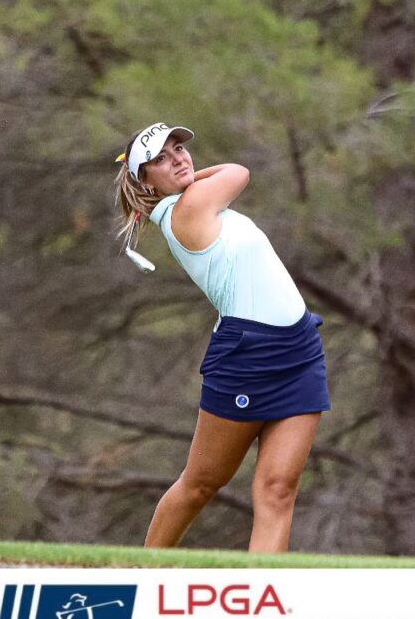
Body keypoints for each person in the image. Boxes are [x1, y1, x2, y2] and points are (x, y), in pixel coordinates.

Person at [113, 121, 331, 553]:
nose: (177, 158)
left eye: (179, 148)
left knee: (278, 490)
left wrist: (177, 179)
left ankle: (260, 594)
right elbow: (237, 170)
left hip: (301, 351)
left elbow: (228, 173)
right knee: (200, 485)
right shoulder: (185, 209)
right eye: (160, 158)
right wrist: (179, 184)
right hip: (247, 356)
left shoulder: (195, 201)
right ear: (145, 180)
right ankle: (141, 573)